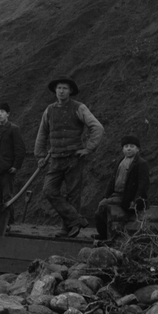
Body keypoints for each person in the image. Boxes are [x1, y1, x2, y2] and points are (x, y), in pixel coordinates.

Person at [34, 75, 105, 238]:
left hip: (74, 158)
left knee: (72, 194)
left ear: (71, 91)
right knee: (49, 190)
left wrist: (88, 148)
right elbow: (42, 133)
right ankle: (76, 220)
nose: (61, 91)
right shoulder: (49, 110)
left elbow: (97, 128)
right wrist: (40, 155)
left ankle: (68, 228)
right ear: (55, 91)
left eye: (65, 88)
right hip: (55, 159)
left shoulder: (79, 108)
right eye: (59, 88)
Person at [94, 135, 150, 242]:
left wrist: (136, 201)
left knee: (102, 206)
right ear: (122, 149)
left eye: (132, 146)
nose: (128, 149)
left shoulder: (141, 163)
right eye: (126, 146)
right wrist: (107, 194)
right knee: (100, 209)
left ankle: (108, 234)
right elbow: (112, 180)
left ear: (137, 149)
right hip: (116, 194)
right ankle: (103, 233)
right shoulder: (120, 162)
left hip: (127, 197)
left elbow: (143, 185)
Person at [0, 102, 28, 230]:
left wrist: (16, 166)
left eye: (2, 112)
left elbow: (20, 149)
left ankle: (8, 221)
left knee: (7, 196)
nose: (0, 114)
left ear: (8, 114)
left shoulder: (14, 129)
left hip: (7, 169)